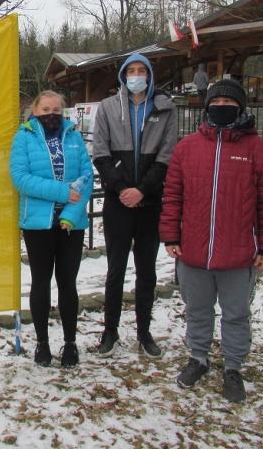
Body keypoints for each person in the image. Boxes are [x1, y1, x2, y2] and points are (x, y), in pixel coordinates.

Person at [159, 79, 263, 403]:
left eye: (231, 103)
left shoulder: (260, 151)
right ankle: (198, 358)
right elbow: (173, 196)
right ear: (207, 107)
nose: (223, 108)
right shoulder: (187, 148)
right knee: (197, 310)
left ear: (241, 108)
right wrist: (170, 234)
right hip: (194, 251)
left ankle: (233, 366)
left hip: (239, 253)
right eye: (218, 102)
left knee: (236, 314)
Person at [92, 52, 177, 358]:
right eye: (132, 70)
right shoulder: (108, 107)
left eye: (142, 70)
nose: (137, 75)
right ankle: (110, 331)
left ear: (151, 75)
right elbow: (100, 152)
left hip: (150, 201)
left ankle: (144, 331)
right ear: (123, 76)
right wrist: (121, 188)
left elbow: (167, 156)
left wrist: (142, 190)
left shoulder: (165, 109)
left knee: (147, 271)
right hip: (118, 202)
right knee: (115, 269)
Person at [9, 90, 93, 368]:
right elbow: (20, 178)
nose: (51, 113)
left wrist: (71, 212)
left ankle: (70, 342)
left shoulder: (74, 136)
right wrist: (61, 192)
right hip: (37, 224)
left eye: (56, 108)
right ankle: (42, 342)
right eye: (45, 109)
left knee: (68, 283)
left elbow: (86, 177)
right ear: (35, 110)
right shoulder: (24, 137)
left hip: (71, 224)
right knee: (41, 282)